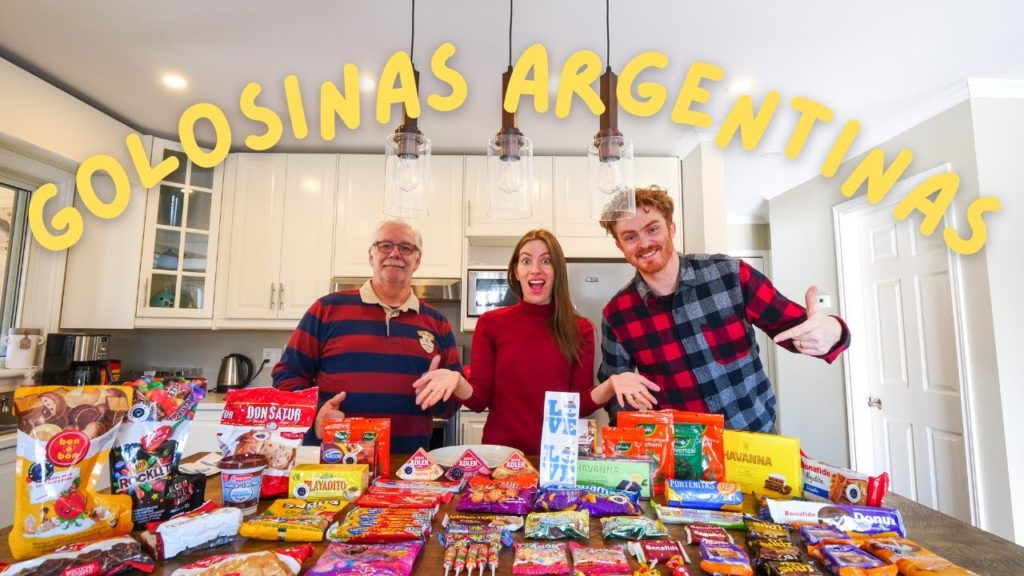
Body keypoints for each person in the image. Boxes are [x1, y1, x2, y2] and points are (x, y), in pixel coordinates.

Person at [597, 186, 850, 432]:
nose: (644, 243)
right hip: (681, 454)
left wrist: (834, 330)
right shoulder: (617, 314)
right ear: (620, 246)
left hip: (755, 437)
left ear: (671, 228)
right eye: (630, 236)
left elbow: (798, 328)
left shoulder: (730, 274)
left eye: (652, 229)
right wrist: (634, 432)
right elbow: (617, 392)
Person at [413, 229, 659, 454]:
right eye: (526, 260)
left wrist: (611, 384)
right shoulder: (490, 324)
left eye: (546, 260)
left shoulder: (580, 328)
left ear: (557, 271)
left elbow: (578, 406)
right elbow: (478, 401)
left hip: (557, 459)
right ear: (517, 271)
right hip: (501, 457)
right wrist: (457, 381)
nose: (535, 269)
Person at [271, 219, 462, 451]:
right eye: (385, 246)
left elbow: (451, 405)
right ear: (371, 255)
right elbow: (287, 375)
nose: (395, 253)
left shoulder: (438, 323)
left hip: (406, 465)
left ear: (417, 260)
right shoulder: (326, 309)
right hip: (335, 461)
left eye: (405, 247)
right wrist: (317, 410)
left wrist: (435, 397)